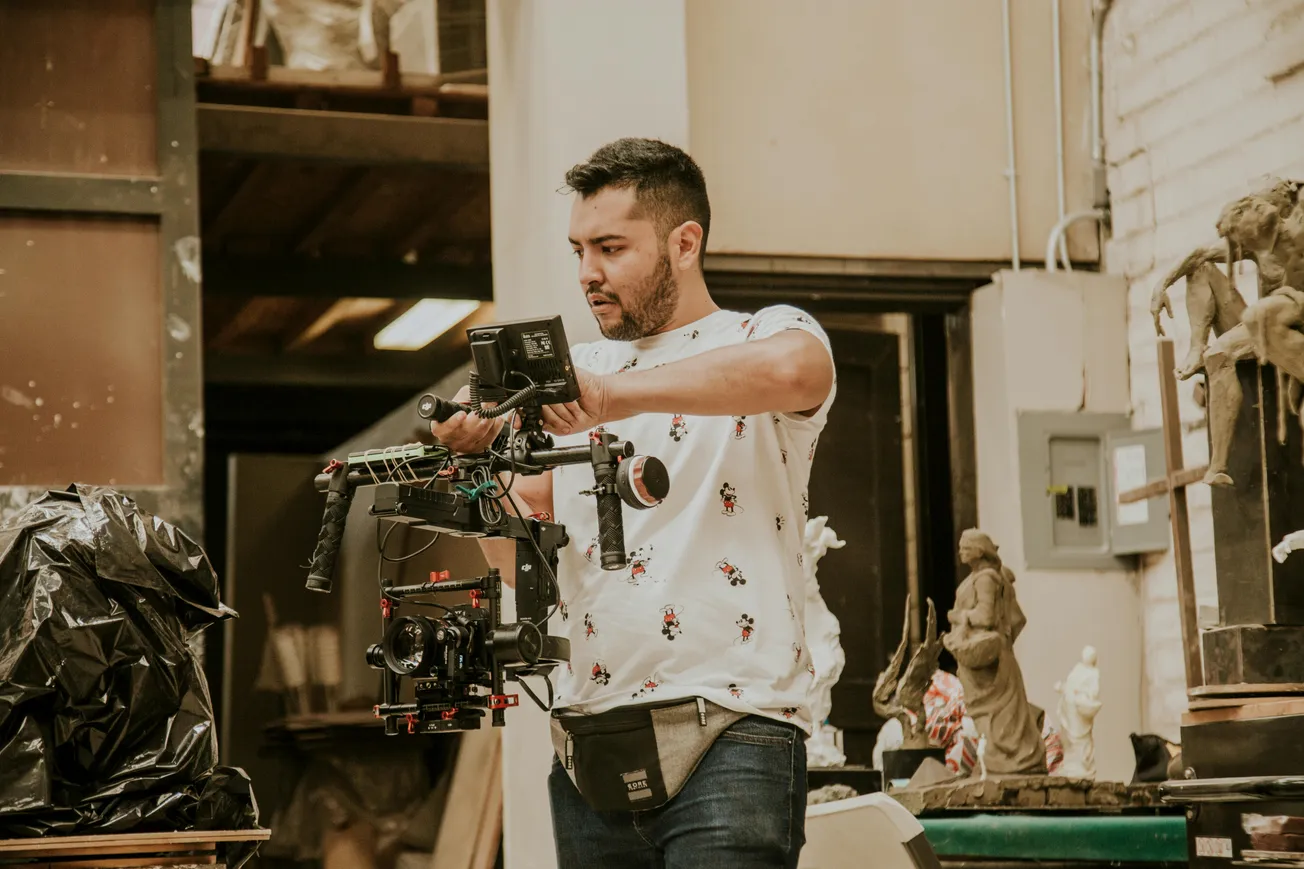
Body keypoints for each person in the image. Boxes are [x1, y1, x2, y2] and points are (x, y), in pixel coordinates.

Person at [430, 137, 836, 868]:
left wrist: (613, 397)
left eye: (611, 248)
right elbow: (525, 563)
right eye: (579, 250)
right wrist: (476, 468)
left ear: (685, 243)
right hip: (589, 739)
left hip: (733, 732)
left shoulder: (762, 332)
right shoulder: (577, 370)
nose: (588, 272)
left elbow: (796, 370)